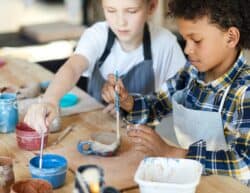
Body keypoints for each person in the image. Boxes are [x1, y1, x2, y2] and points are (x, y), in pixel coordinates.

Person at [102, 0, 250, 185]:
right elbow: (157, 105)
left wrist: (175, 153)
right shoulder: (191, 73)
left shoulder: (245, 92)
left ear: (230, 38)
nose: (187, 49)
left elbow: (245, 163)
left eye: (196, 40)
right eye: (185, 40)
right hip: (194, 181)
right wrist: (128, 102)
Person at [24, 0, 185, 132]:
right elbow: (72, 68)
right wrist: (50, 100)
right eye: (111, 10)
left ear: (151, 7)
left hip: (141, 137)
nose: (120, 21)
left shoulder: (166, 45)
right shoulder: (97, 35)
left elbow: (181, 99)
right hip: (94, 129)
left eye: (131, 11)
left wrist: (129, 106)